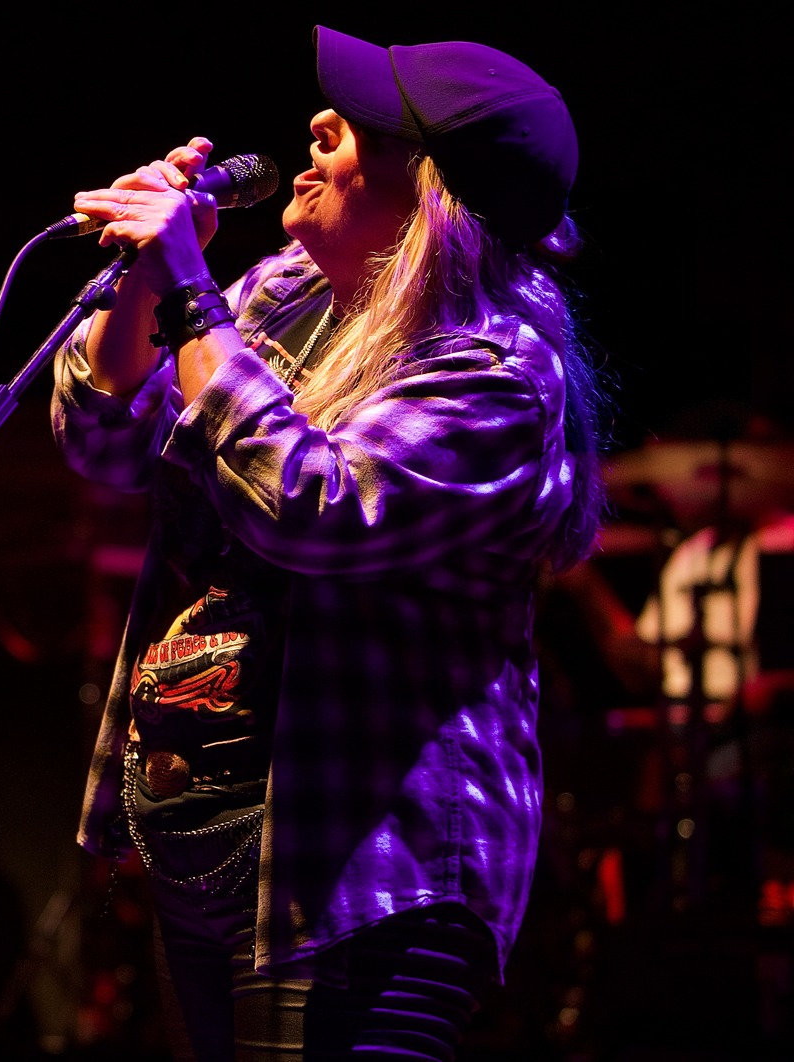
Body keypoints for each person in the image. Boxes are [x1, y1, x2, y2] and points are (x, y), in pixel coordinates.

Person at [45, 26, 605, 1060]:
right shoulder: (274, 298)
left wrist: (183, 291)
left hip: (363, 874)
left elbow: (312, 508)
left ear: (431, 189)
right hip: (208, 852)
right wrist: (144, 277)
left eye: (363, 126)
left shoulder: (492, 368)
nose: (316, 125)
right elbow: (100, 435)